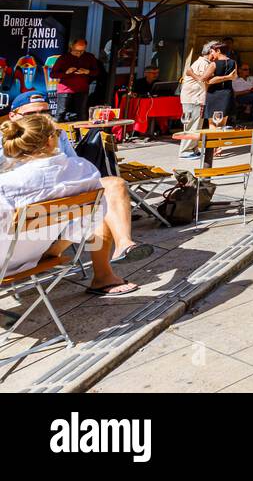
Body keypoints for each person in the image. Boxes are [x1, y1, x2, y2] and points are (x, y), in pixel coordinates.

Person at [0, 111, 153, 297]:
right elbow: (94, 219)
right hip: (39, 254)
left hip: (6, 262)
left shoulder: (7, 184)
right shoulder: (84, 170)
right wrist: (64, 241)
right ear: (50, 141)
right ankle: (106, 272)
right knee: (102, 198)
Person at [178, 42, 218, 160]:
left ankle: (193, 149)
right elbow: (204, 81)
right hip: (194, 98)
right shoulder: (203, 64)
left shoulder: (204, 63)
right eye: (217, 51)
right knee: (192, 125)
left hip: (195, 98)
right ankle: (185, 150)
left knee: (196, 124)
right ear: (211, 51)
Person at [47, 38, 104, 123]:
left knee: (81, 114)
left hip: (82, 89)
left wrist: (87, 71)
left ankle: (81, 135)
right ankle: (58, 134)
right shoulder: (64, 58)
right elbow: (53, 74)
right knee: (61, 113)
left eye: (82, 51)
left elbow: (96, 72)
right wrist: (66, 72)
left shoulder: (89, 57)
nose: (79, 53)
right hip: (65, 89)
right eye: (77, 51)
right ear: (71, 47)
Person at [204, 42, 237, 129]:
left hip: (213, 94)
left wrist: (225, 77)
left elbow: (207, 80)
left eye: (212, 52)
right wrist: (228, 77)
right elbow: (234, 77)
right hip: (227, 94)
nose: (211, 54)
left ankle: (213, 142)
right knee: (223, 124)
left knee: (212, 124)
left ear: (218, 51)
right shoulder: (233, 63)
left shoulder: (213, 64)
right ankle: (220, 142)